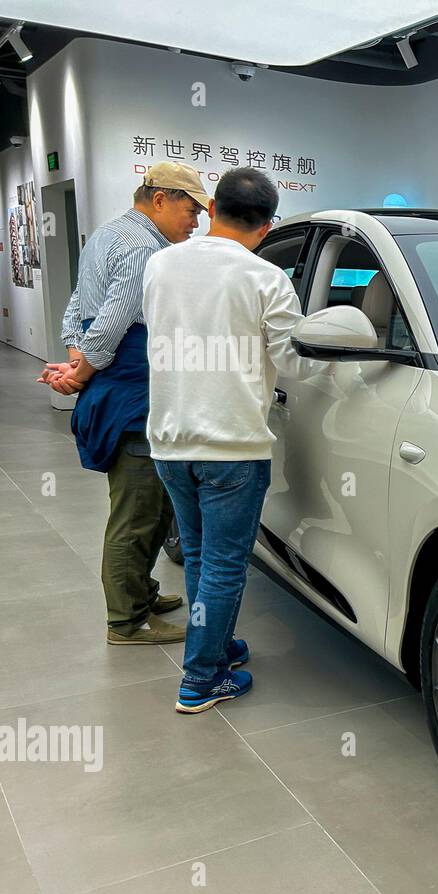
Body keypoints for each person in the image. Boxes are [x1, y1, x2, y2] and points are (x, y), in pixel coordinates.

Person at [144, 167, 325, 713]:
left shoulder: (159, 264)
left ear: (213, 207)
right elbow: (293, 360)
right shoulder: (266, 279)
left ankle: (213, 644)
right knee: (223, 563)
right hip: (232, 448)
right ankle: (201, 678)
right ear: (267, 226)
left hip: (170, 441)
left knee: (200, 555)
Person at [40, 162, 211, 644]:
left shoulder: (107, 235)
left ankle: (143, 591)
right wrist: (83, 369)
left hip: (119, 387)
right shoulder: (143, 250)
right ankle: (126, 620)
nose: (194, 222)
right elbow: (112, 325)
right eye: (190, 209)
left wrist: (77, 361)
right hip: (134, 394)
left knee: (152, 506)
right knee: (139, 513)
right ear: (159, 199)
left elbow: (78, 308)